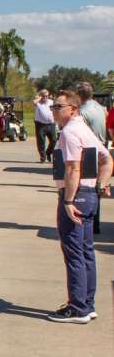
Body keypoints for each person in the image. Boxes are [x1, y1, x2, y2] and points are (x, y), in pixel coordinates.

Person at [45, 89, 112, 324]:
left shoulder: (71, 132)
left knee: (74, 252)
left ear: (72, 109)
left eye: (57, 107)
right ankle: (87, 303)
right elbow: (107, 159)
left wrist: (68, 200)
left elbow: (73, 167)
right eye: (53, 107)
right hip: (89, 193)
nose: (53, 111)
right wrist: (101, 185)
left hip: (77, 194)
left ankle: (78, 307)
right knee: (85, 251)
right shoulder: (85, 130)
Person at [33, 90, 57, 162]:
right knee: (41, 141)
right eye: (43, 96)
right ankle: (43, 157)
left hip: (51, 124)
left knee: (54, 140)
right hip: (40, 124)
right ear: (40, 96)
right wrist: (40, 98)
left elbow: (55, 111)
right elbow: (34, 102)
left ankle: (48, 152)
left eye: (46, 96)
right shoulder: (38, 103)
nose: (45, 97)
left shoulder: (51, 102)